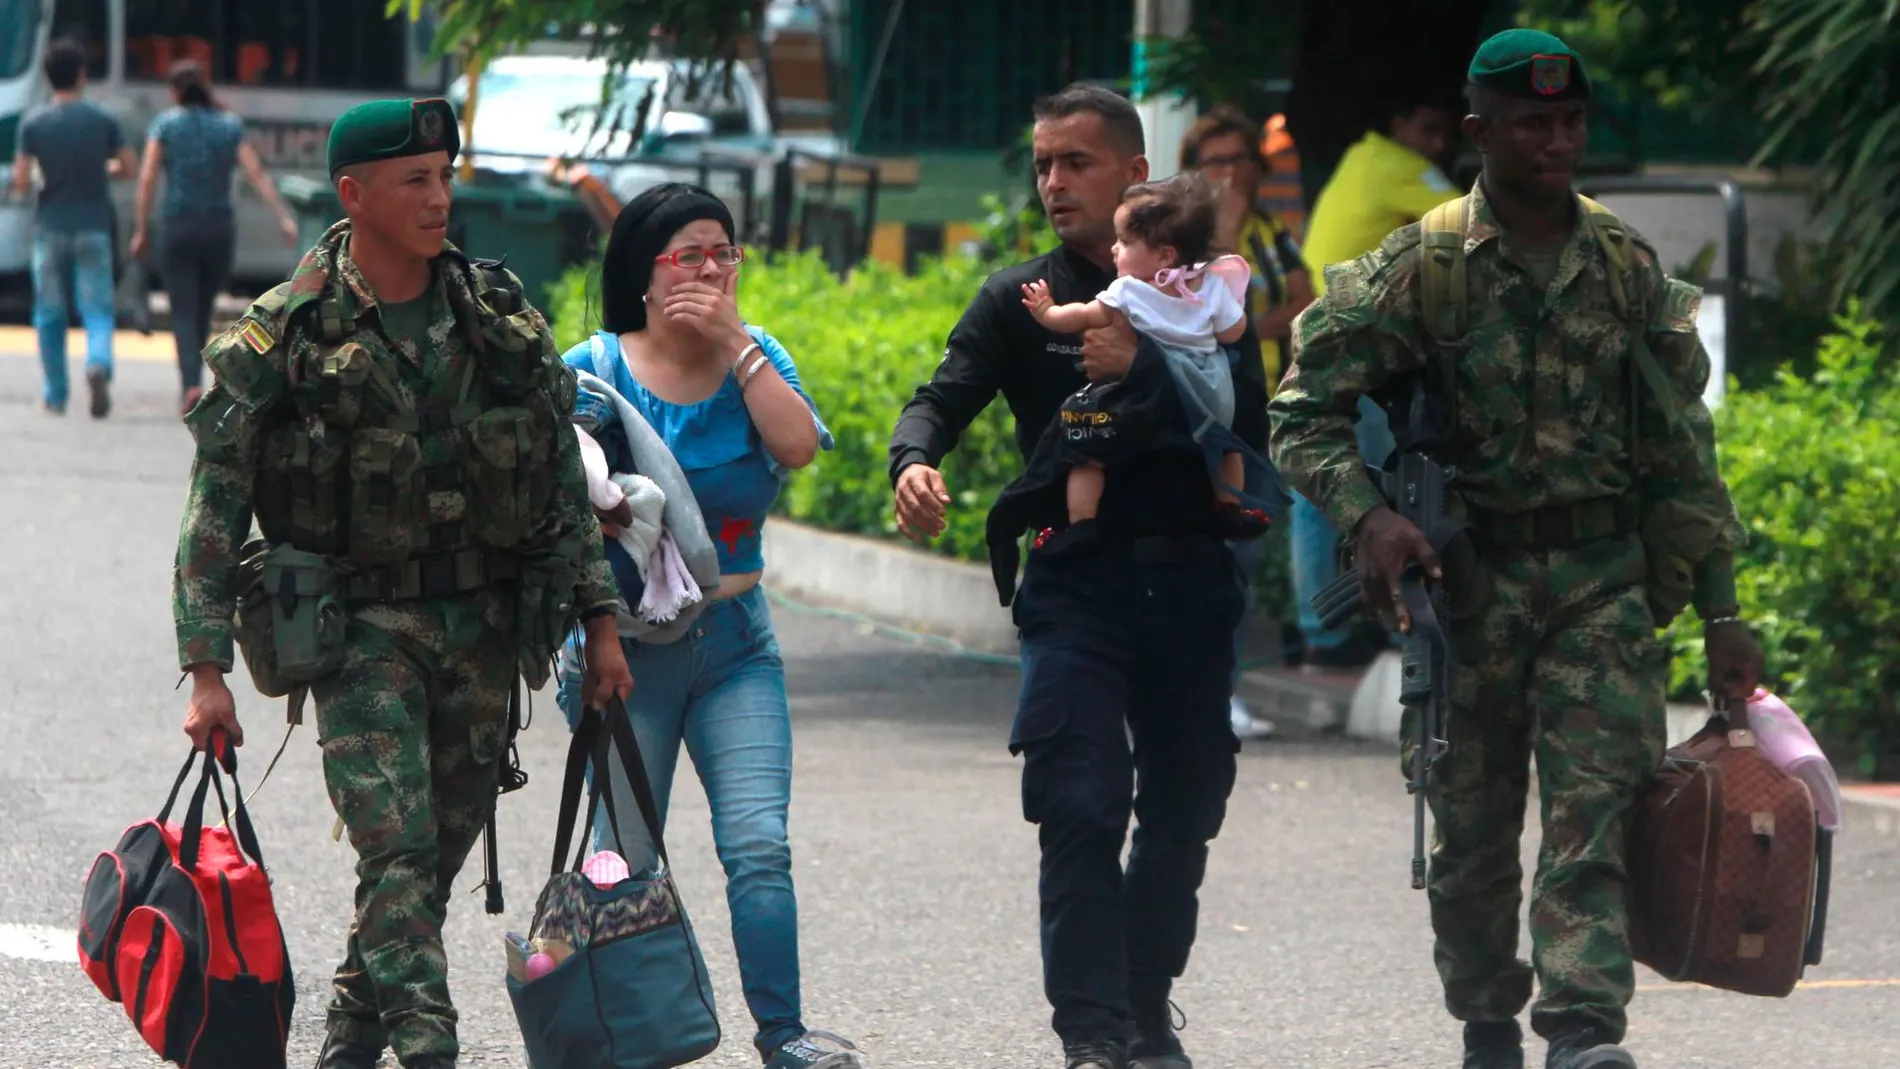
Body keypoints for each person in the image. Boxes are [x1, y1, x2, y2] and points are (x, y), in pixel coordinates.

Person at [1268, 30, 1765, 1069]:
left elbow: (1683, 449)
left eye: (1571, 121)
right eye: (1533, 122)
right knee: (1473, 843)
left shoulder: (1623, 264)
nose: (1557, 140)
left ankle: (1582, 1031)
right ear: (1478, 132)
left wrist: (1722, 611)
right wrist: (1371, 517)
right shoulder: (1424, 267)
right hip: (1469, 585)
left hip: (1601, 586)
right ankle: (1486, 1019)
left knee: (1600, 818)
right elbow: (1301, 412)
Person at [170, 97, 633, 1069]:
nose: (441, 197)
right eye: (416, 179)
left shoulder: (495, 316)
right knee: (396, 853)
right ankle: (431, 1052)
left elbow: (559, 479)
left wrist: (601, 624)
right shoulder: (286, 333)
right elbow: (216, 504)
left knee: (424, 872)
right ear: (355, 194)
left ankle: (347, 1042)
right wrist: (205, 668)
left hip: (483, 626)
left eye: (446, 175)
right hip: (354, 626)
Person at [890, 83, 1276, 1069]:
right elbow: (940, 397)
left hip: (1191, 586)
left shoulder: (1212, 302)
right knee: (1079, 798)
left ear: (1135, 175)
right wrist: (912, 461)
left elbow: (1247, 432)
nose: (1054, 183)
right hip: (1078, 588)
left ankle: (1146, 1007)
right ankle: (1094, 1034)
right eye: (1042, 165)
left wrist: (1143, 374)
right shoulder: (1027, 302)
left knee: (1184, 812)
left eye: (1076, 163)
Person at [551, 182, 863, 1069]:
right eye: (691, 256)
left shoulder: (757, 355)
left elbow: (798, 447)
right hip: (622, 650)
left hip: (736, 644)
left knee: (759, 845)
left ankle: (784, 1034)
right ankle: (629, 1035)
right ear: (645, 274)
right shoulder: (592, 368)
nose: (713, 271)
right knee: (626, 856)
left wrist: (733, 342)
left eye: (725, 254)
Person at [1285, 91, 1463, 672]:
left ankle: (1327, 630)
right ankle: (1345, 630)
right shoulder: (1398, 167)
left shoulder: (1362, 160)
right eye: (1428, 127)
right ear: (1399, 121)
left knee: (1325, 496)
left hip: (1326, 342)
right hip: (1357, 351)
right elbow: (1477, 224)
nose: (1437, 143)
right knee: (1371, 494)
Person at [1180, 104, 1318, 739]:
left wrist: (1253, 326)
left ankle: (1220, 691)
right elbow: (1202, 308)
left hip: (1259, 400)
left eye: (1243, 161)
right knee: (1196, 551)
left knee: (1244, 546)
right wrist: (1225, 227)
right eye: (1218, 163)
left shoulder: (1273, 231)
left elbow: (1303, 301)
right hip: (1199, 407)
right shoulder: (1179, 237)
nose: (1233, 174)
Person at [1018, 171, 1252, 529]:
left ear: (1164, 256)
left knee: (1087, 448)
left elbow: (1080, 316)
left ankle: (1080, 521)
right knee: (1228, 447)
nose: (1115, 248)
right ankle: (1230, 504)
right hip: (1207, 389)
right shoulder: (1210, 284)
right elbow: (1234, 332)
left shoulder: (1128, 290)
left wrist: (1046, 311)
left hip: (1138, 396)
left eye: (1125, 242)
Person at [129, 58, 300, 416]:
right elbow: (256, 174)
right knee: (203, 309)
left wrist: (142, 228)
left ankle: (190, 383)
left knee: (183, 311)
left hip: (178, 226)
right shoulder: (228, 126)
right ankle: (199, 381)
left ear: (175, 92)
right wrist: (283, 217)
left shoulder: (165, 125)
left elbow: (147, 178)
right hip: (218, 230)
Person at [11, 37, 135, 418]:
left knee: (49, 314)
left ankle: (55, 394)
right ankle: (97, 364)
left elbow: (19, 182)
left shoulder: (33, 122)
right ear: (81, 75)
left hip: (50, 226)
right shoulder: (103, 119)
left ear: (48, 78)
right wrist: (102, 169)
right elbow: (128, 166)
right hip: (94, 227)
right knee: (96, 308)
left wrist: (36, 176)